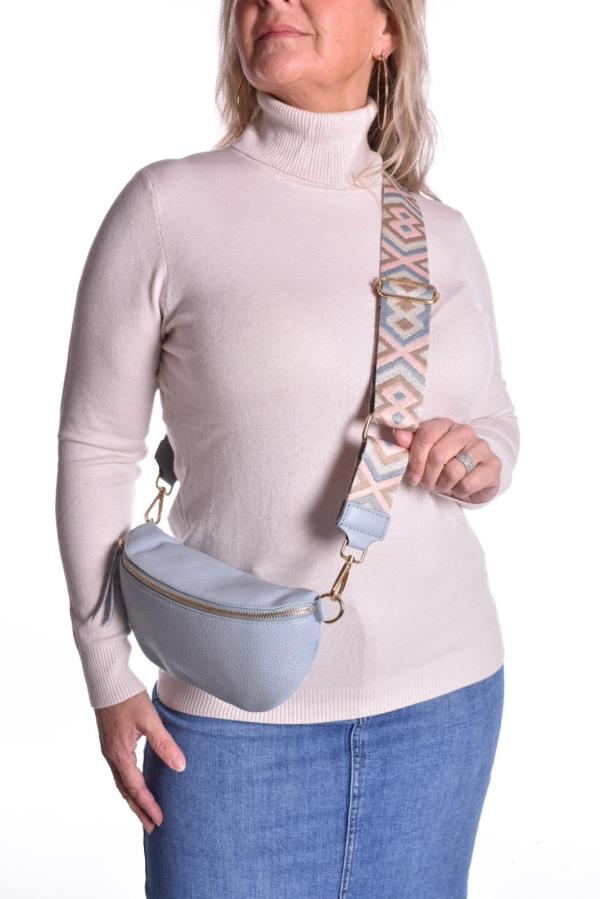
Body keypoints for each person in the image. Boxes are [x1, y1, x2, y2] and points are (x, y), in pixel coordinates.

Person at [55, 1, 519, 896]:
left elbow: (493, 413)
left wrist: (477, 456)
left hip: (445, 701)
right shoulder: (167, 207)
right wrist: (109, 672)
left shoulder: (438, 230)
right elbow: (96, 447)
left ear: (388, 32)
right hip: (229, 719)